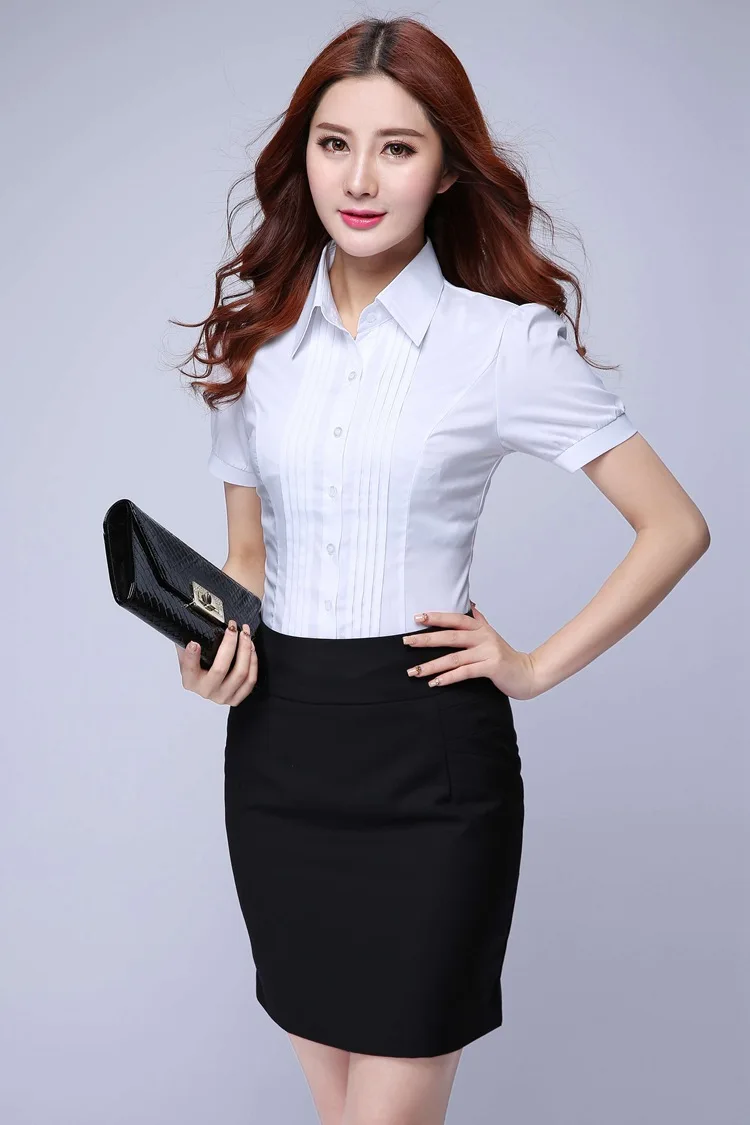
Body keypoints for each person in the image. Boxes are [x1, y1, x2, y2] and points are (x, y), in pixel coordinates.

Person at [171, 16, 710, 1125]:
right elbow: (247, 559)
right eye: (334, 144)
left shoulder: (501, 344)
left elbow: (673, 526)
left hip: (429, 756)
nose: (360, 179)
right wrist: (208, 649)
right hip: (280, 753)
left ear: (448, 168)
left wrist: (534, 666)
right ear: (303, 158)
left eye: (399, 147)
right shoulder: (258, 345)